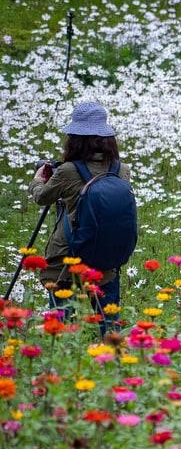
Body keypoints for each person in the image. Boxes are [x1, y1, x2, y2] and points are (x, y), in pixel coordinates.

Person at [28, 101, 133, 336]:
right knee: (110, 325)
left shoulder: (67, 171)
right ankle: (114, 360)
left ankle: (60, 361)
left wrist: (38, 180)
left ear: (74, 138)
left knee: (61, 327)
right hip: (106, 257)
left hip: (68, 257)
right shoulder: (121, 170)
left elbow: (42, 198)